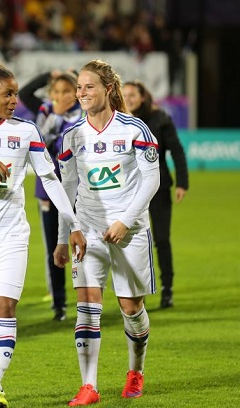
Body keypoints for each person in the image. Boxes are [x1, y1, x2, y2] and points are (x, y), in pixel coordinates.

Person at [0, 66, 87, 408]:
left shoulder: (26, 131)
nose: (14, 101)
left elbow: (50, 179)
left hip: (11, 233)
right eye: (8, 94)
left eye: (15, 94)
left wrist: (72, 223)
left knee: (4, 308)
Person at [54, 59, 160, 405]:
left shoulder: (134, 129)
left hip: (128, 230)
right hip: (88, 230)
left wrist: (125, 220)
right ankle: (89, 386)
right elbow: (65, 189)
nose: (82, 93)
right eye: (79, 88)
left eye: (89, 87)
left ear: (108, 89)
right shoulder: (71, 135)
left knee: (130, 308)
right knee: (87, 306)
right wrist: (63, 235)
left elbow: (151, 181)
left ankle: (136, 370)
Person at [18, 70, 83, 321]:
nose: (60, 96)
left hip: (79, 190)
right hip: (48, 190)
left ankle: (87, 299)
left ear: (76, 92)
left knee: (82, 245)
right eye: (56, 92)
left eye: (66, 91)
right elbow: (40, 142)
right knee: (54, 248)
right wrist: (49, 75)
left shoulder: (84, 113)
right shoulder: (45, 112)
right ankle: (59, 304)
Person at [122, 80, 188, 308]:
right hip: (129, 189)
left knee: (161, 239)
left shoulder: (160, 119)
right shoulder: (119, 121)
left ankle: (167, 289)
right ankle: (134, 291)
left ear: (143, 97)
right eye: (125, 94)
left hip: (157, 187)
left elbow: (177, 151)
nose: (128, 98)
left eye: (132, 94)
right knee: (132, 240)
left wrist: (182, 183)